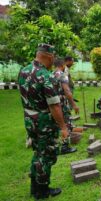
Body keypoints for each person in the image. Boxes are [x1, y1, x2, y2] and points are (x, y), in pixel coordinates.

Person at [18, 44, 68, 199]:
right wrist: (63, 127)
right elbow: (54, 105)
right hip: (43, 121)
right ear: (48, 56)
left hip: (29, 118)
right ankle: (42, 190)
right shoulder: (45, 76)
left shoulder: (24, 70)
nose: (53, 60)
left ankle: (35, 186)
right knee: (46, 155)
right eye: (52, 57)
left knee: (38, 151)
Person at [53, 58, 79, 155]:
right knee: (66, 124)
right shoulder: (62, 75)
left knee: (57, 123)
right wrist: (74, 105)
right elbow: (67, 91)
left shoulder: (51, 74)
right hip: (62, 103)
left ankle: (55, 145)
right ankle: (64, 147)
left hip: (53, 104)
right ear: (63, 65)